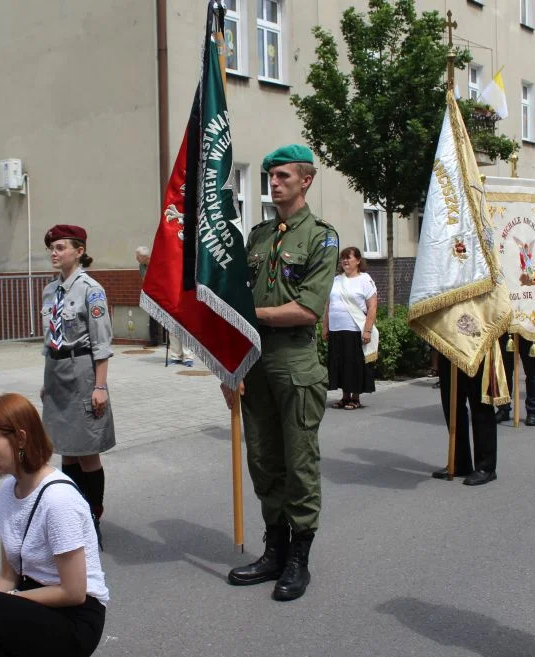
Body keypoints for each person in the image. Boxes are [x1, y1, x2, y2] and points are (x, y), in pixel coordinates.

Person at [223, 144, 338, 602]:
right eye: (270, 175)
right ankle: (275, 549)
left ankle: (299, 559)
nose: (274, 182)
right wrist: (229, 364)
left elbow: (308, 309)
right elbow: (232, 300)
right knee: (263, 460)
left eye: (283, 176)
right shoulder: (258, 235)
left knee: (299, 464)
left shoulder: (321, 237)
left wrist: (254, 312)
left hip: (294, 363)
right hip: (253, 362)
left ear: (306, 180)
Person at [0, 393, 108, 657]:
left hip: (73, 619)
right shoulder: (7, 491)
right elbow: (8, 576)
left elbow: (74, 593)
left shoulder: (58, 500)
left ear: (21, 439)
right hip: (32, 603)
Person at [40, 225, 116, 547]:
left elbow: (101, 344)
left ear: (79, 251)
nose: (54, 254)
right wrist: (46, 382)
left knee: (86, 452)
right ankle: (72, 514)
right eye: (52, 248)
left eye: (60, 247)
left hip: (83, 370)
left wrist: (100, 387)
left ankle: (92, 515)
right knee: (67, 451)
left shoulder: (91, 290)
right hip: (57, 371)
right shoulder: (49, 291)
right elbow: (48, 341)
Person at [430, 353, 498, 486]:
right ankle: (460, 462)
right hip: (449, 345)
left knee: (480, 405)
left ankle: (486, 466)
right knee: (451, 403)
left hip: (475, 344)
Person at [322, 246, 376, 409]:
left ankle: (355, 398)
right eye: (343, 258)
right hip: (336, 329)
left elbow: (372, 307)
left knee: (354, 364)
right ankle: (345, 397)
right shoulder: (336, 280)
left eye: (349, 258)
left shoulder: (365, 280)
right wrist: (325, 327)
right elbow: (328, 305)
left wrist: (367, 330)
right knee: (340, 363)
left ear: (358, 261)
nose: (345, 261)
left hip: (355, 329)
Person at [494, 331, 535, 426]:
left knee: (532, 372)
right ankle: (503, 408)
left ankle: (532, 411)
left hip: (528, 327)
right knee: (504, 371)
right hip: (507, 328)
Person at [134, 246, 163, 347]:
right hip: (151, 292)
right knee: (153, 316)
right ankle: (154, 340)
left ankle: (169, 341)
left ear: (144, 257)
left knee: (167, 315)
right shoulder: (142, 266)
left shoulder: (156, 263)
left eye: (138, 257)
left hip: (162, 291)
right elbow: (145, 280)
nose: (136, 258)